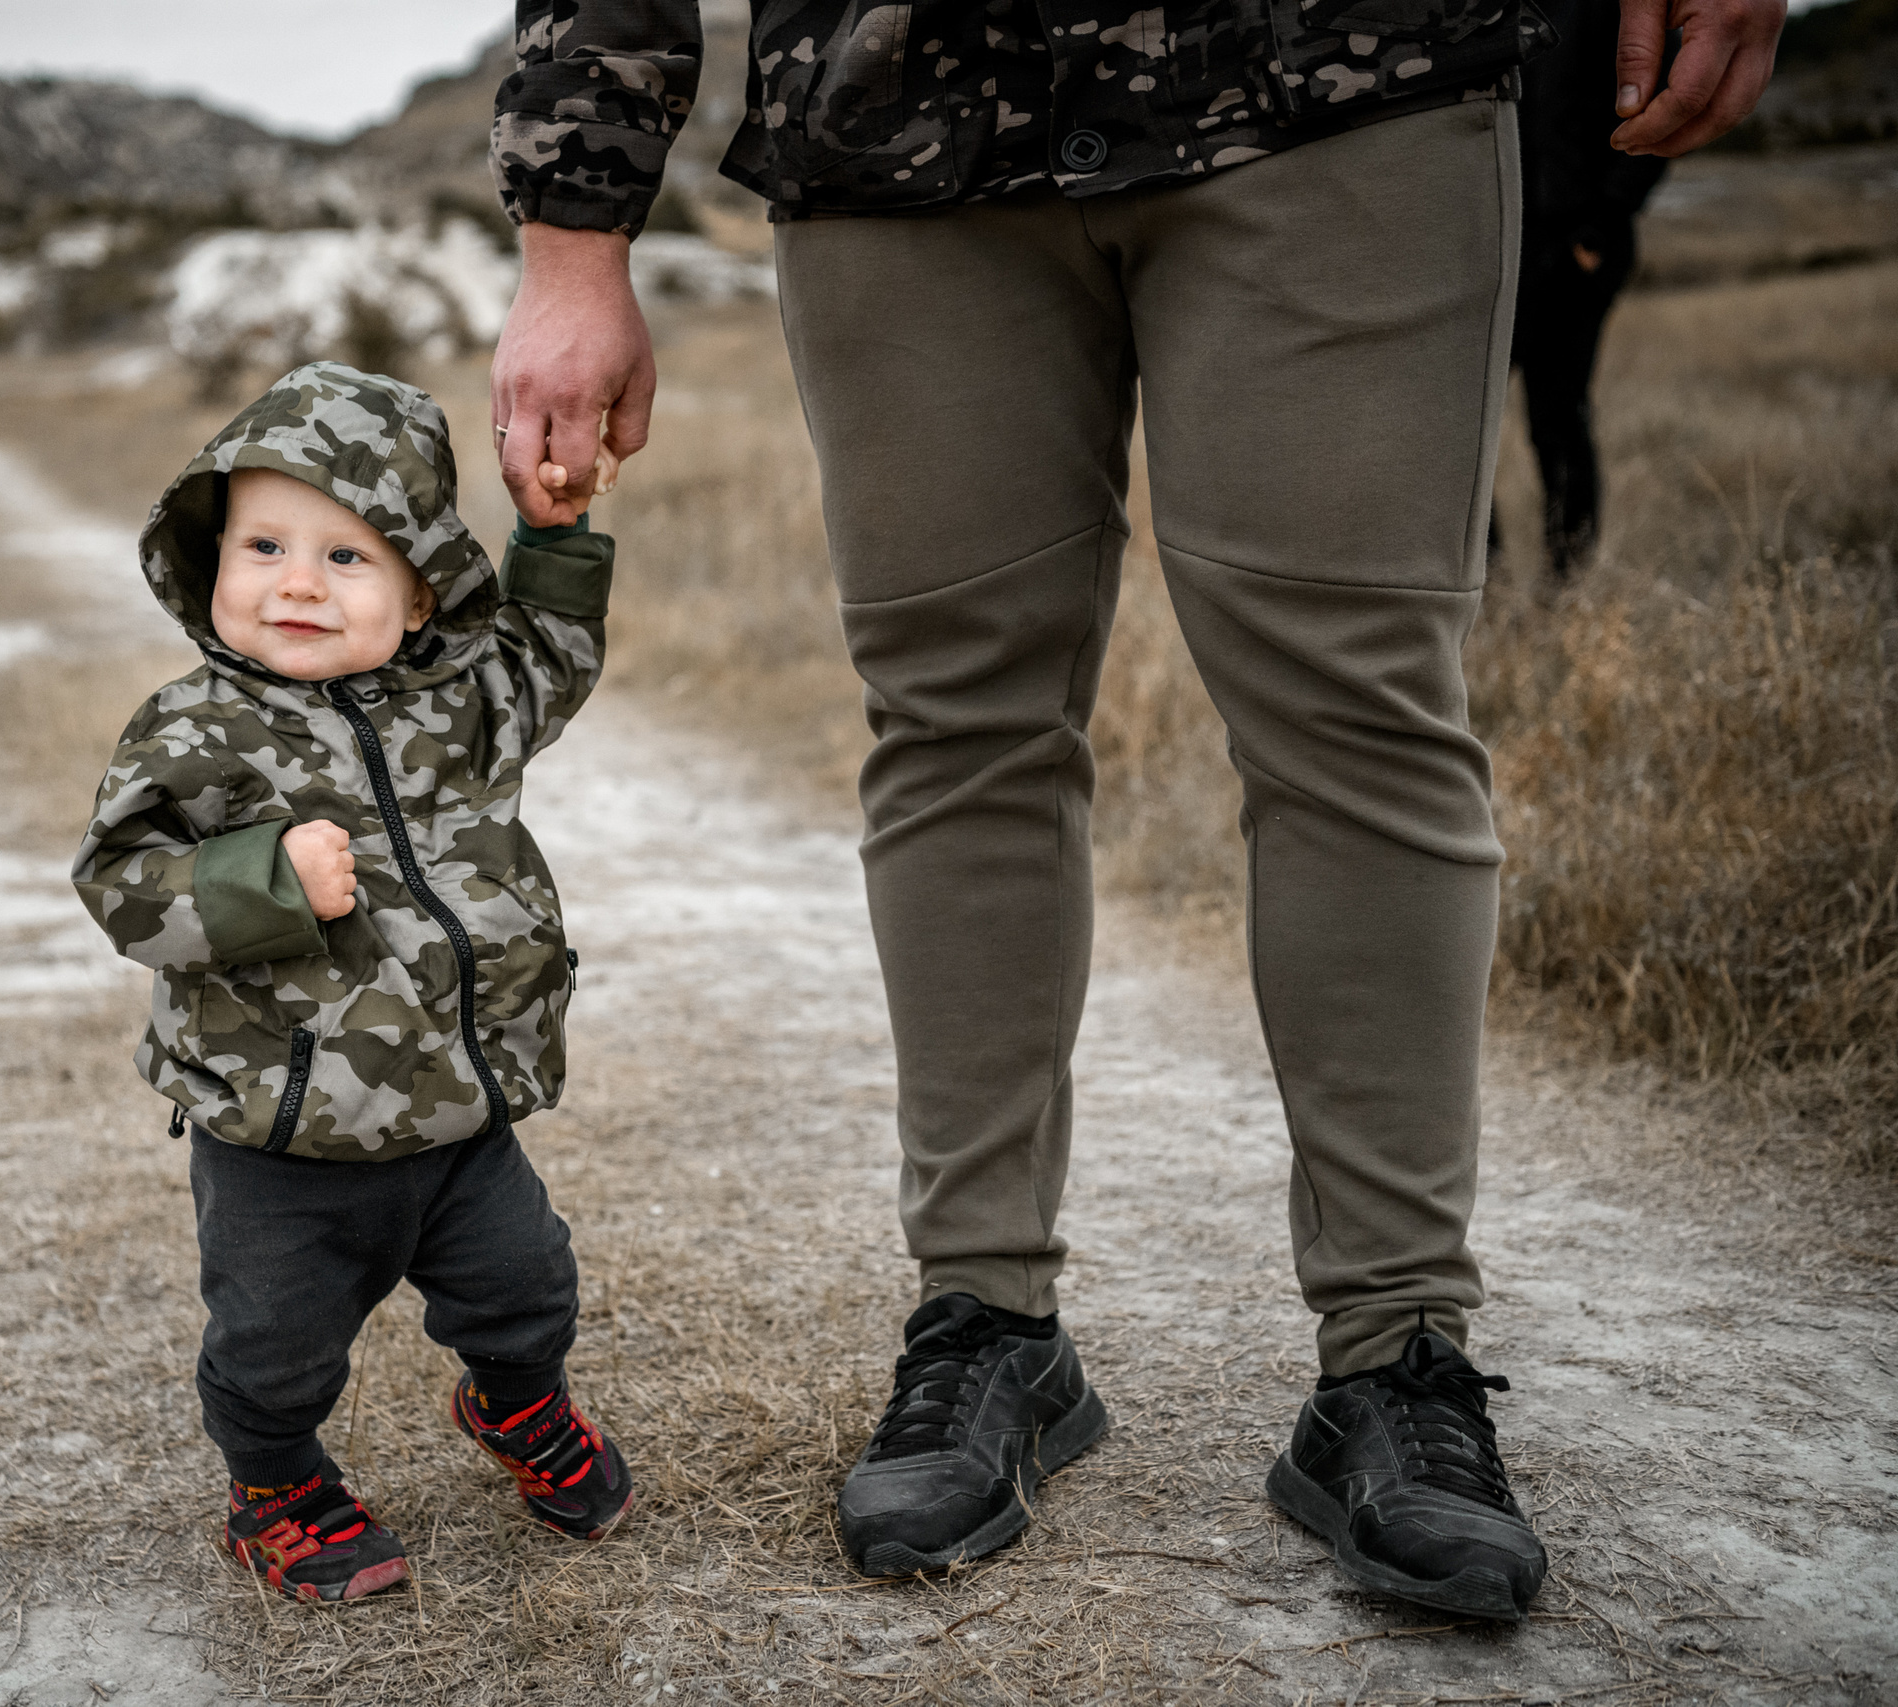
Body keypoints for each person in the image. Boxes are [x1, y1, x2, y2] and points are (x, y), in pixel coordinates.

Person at [485, 0, 1782, 1620]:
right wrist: (572, 231)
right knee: (955, 721)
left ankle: (1397, 1360)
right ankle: (986, 1325)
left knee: (1360, 717)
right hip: (898, 115)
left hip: (1344, 84)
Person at [71, 362, 632, 1603]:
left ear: (422, 585)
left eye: (347, 556)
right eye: (264, 544)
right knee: (274, 1347)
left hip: (459, 1117)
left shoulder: (460, 709)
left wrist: (556, 532)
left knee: (528, 1287)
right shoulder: (193, 729)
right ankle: (274, 1484)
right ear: (210, 559)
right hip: (285, 1134)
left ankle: (516, 1408)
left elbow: (548, 656)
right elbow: (120, 886)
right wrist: (263, 879)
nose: (295, 583)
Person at [1513, 0, 1673, 577]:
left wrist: (1600, 226)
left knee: (1556, 414)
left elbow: (1659, 108)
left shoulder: (1609, 6)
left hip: (1576, 244)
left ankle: (1569, 575)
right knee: (1456, 413)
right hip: (1508, 241)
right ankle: (1483, 571)